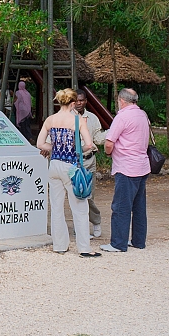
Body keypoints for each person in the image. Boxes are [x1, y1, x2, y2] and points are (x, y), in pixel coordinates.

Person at [36, 88, 100, 257]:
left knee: (56, 207)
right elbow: (88, 144)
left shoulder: (50, 120)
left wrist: (55, 148)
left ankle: (59, 245)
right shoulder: (78, 120)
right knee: (79, 207)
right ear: (72, 103)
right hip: (70, 165)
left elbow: (40, 144)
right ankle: (84, 248)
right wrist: (75, 150)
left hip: (54, 164)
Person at [100, 88, 150, 253]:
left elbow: (109, 142)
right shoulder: (142, 114)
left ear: (121, 100)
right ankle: (138, 240)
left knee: (121, 206)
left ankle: (118, 243)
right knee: (139, 206)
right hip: (142, 165)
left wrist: (108, 153)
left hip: (126, 166)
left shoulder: (122, 116)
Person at [75, 88, 105, 238]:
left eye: (81, 100)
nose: (79, 103)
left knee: (88, 196)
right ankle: (80, 226)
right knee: (74, 196)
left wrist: (114, 134)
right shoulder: (66, 117)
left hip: (88, 161)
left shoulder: (92, 118)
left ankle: (96, 221)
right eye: (76, 100)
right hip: (71, 163)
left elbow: (98, 138)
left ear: (86, 101)